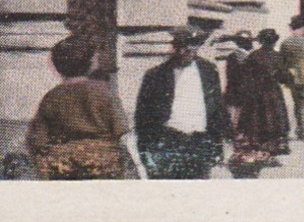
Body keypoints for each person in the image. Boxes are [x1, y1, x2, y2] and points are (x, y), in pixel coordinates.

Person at [26, 37, 130, 180]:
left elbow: (36, 138)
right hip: (102, 164)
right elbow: (121, 128)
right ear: (91, 63)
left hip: (63, 165)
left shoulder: (52, 96)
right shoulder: (104, 92)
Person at [134, 27, 228, 180]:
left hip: (199, 142)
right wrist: (144, 150)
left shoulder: (208, 70)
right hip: (168, 142)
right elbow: (142, 115)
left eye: (192, 45)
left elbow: (217, 107)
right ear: (175, 47)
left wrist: (218, 145)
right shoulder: (156, 75)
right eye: (182, 46)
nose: (187, 50)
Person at [223, 30, 290, 177]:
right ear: (274, 41)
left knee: (256, 122)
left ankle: (257, 151)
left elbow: (247, 76)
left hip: (256, 94)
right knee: (272, 121)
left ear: (260, 41)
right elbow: (285, 77)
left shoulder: (253, 56)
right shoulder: (278, 56)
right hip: (272, 94)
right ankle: (267, 152)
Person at [277, 15, 304, 141]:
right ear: (302, 28)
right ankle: (303, 129)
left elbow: (282, 60)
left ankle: (300, 127)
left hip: (293, 76)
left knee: (297, 103)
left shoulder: (285, 43)